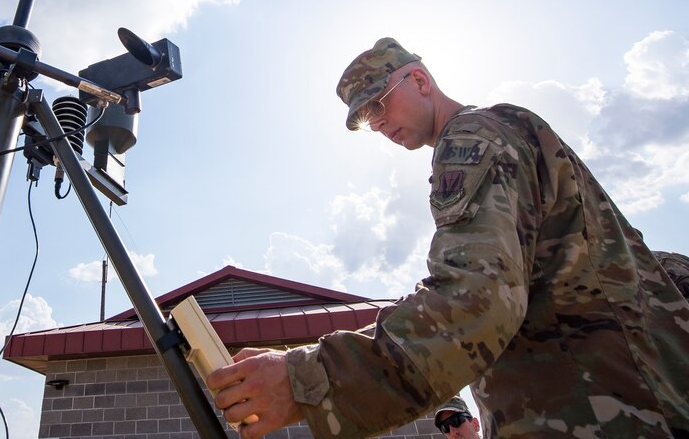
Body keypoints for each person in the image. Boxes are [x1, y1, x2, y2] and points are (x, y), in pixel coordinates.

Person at [207, 38, 689, 438]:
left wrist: (305, 379)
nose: (376, 122)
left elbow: (476, 299)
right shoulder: (507, 132)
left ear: (419, 80)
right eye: (365, 117)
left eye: (378, 102)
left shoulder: (472, 138)